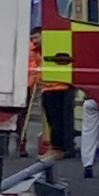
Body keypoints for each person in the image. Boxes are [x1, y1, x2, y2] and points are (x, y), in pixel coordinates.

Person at [32, 26, 71, 160]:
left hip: (56, 88)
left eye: (36, 38)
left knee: (56, 121)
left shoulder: (51, 49)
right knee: (52, 121)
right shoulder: (38, 50)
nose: (34, 41)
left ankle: (57, 149)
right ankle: (56, 148)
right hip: (47, 87)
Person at [15, 27, 42, 157]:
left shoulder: (40, 49)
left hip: (33, 84)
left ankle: (21, 143)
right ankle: (20, 143)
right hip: (25, 84)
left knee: (25, 117)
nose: (35, 40)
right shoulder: (29, 48)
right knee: (22, 116)